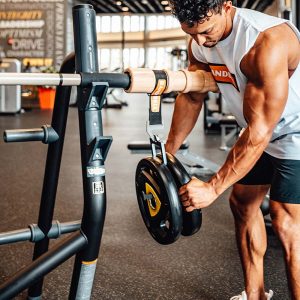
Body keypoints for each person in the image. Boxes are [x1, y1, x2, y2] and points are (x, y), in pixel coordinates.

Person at [165, 1, 300, 299]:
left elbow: (260, 131)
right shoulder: (199, 41)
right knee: (242, 204)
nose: (200, 41)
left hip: (295, 132)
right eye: (191, 33)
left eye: (206, 31)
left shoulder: (265, 41)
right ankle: (255, 295)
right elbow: (192, 98)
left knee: (285, 220)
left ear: (226, 6)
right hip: (260, 129)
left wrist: (213, 187)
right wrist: (168, 155)